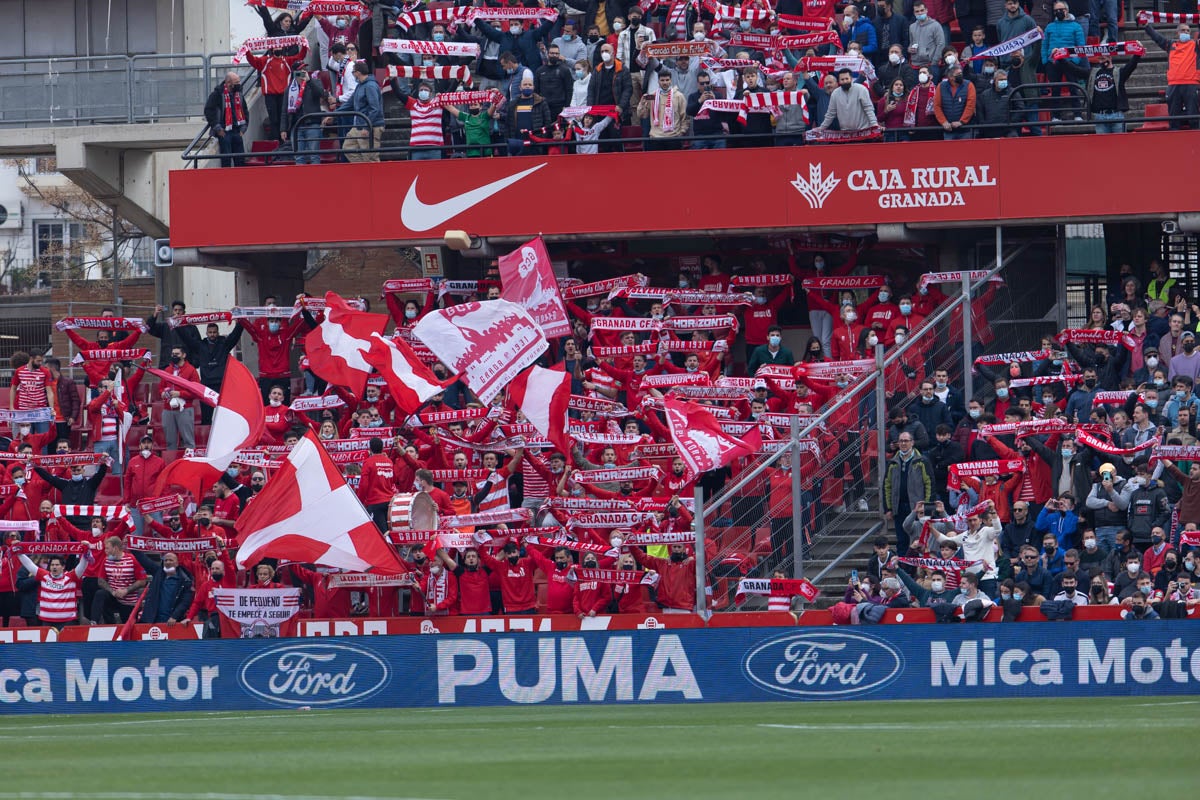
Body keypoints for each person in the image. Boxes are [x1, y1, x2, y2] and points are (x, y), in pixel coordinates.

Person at [245, 40, 310, 142]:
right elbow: (252, 60)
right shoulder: (264, 61)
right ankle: (276, 140)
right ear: (271, 49)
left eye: (279, 47)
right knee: (273, 118)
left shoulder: (288, 61)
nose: (278, 49)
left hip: (285, 94)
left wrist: (304, 45)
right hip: (270, 95)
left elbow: (300, 56)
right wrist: (247, 49)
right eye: (275, 48)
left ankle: (286, 139)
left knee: (284, 117)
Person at [1144, 19, 1200, 130]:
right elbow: (1157, 38)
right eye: (1183, 30)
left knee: (1194, 118)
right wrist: (1146, 26)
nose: (1186, 33)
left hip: (1191, 84)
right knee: (1174, 119)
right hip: (1174, 85)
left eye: (1188, 31)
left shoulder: (1196, 46)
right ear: (1177, 33)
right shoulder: (1170, 45)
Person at [883, 432, 934, 553]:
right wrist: (888, 508)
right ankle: (903, 568)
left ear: (912, 442)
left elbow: (929, 484)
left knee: (919, 541)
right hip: (899, 507)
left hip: (917, 508)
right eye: (901, 441)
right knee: (901, 540)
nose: (903, 443)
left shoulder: (922, 461)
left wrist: (927, 506)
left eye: (906, 441)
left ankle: (918, 570)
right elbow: (887, 486)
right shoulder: (892, 462)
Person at [15, 549, 91, 628]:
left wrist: (86, 552)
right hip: (47, 622)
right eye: (52, 565)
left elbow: (82, 566)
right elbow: (28, 564)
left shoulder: (71, 577)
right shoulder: (43, 575)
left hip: (68, 621)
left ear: (63, 567)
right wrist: (18, 551)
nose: (54, 567)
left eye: (57, 565)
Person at [1041, 1, 1089, 121]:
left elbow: (1080, 46)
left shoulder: (1076, 26)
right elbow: (1044, 45)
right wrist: (1045, 61)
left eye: (1061, 9)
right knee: (1055, 90)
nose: (1058, 12)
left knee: (1073, 88)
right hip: (1053, 63)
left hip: (1070, 62)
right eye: (1056, 10)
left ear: (1066, 10)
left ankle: (1077, 114)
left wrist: (1075, 61)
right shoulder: (1049, 27)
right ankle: (1056, 116)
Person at [335, 61, 384, 162]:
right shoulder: (360, 86)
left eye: (353, 72)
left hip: (370, 126)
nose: (353, 74)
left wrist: (367, 126)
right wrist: (334, 114)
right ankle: (364, 171)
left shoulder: (370, 86)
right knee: (348, 148)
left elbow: (374, 108)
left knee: (370, 156)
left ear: (358, 72)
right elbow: (350, 103)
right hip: (360, 124)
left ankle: (371, 174)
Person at [281, 65, 329, 164]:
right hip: (296, 125)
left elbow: (322, 94)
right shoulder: (289, 88)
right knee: (298, 157)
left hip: (312, 124)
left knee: (314, 155)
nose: (302, 73)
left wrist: (309, 81)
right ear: (294, 74)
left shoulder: (315, 82)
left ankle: (316, 178)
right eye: (299, 71)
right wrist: (283, 129)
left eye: (304, 70)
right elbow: (284, 110)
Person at [204, 72, 249, 167]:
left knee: (240, 159)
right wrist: (218, 128)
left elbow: (245, 110)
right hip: (224, 131)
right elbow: (208, 111)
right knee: (226, 160)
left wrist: (243, 128)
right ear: (228, 83)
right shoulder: (217, 94)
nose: (239, 84)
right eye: (236, 82)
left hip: (237, 130)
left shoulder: (239, 95)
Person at [814, 69, 878, 134]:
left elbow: (869, 109)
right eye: (842, 79)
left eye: (846, 79)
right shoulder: (835, 93)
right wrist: (821, 128)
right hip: (845, 133)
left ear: (851, 79)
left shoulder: (861, 89)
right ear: (839, 81)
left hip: (863, 131)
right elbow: (830, 114)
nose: (845, 81)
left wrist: (874, 125)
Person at [638, 71, 687, 149]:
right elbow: (642, 115)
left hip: (674, 137)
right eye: (662, 80)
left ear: (671, 80)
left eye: (667, 80)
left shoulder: (679, 96)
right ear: (658, 81)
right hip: (655, 137)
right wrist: (642, 103)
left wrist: (682, 132)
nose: (665, 83)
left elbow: (684, 116)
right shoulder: (652, 96)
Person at [933, 65, 975, 139]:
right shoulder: (941, 86)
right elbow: (937, 106)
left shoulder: (969, 85)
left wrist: (961, 122)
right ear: (951, 77)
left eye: (961, 73)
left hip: (965, 130)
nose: (961, 75)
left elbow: (970, 106)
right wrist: (944, 122)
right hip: (948, 130)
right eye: (958, 74)